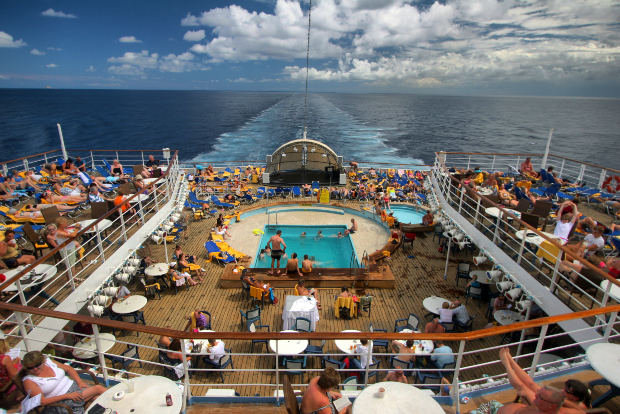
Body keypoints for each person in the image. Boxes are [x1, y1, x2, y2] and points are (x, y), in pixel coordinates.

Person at [498, 347, 589, 413]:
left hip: (545, 409)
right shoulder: (570, 403)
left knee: (523, 388)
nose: (562, 390)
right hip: (548, 406)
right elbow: (530, 384)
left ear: (575, 398)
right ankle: (510, 361)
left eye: (566, 391)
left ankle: (506, 364)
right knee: (531, 384)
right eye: (564, 388)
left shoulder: (579, 408)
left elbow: (520, 387)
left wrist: (553, 398)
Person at [19, 350, 106, 414]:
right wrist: (67, 395)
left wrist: (79, 382)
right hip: (61, 400)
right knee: (98, 389)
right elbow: (42, 401)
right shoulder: (29, 381)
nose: (35, 369)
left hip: (74, 387)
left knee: (97, 398)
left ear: (43, 361)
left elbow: (68, 369)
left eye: (37, 365)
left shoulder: (49, 362)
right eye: (30, 368)